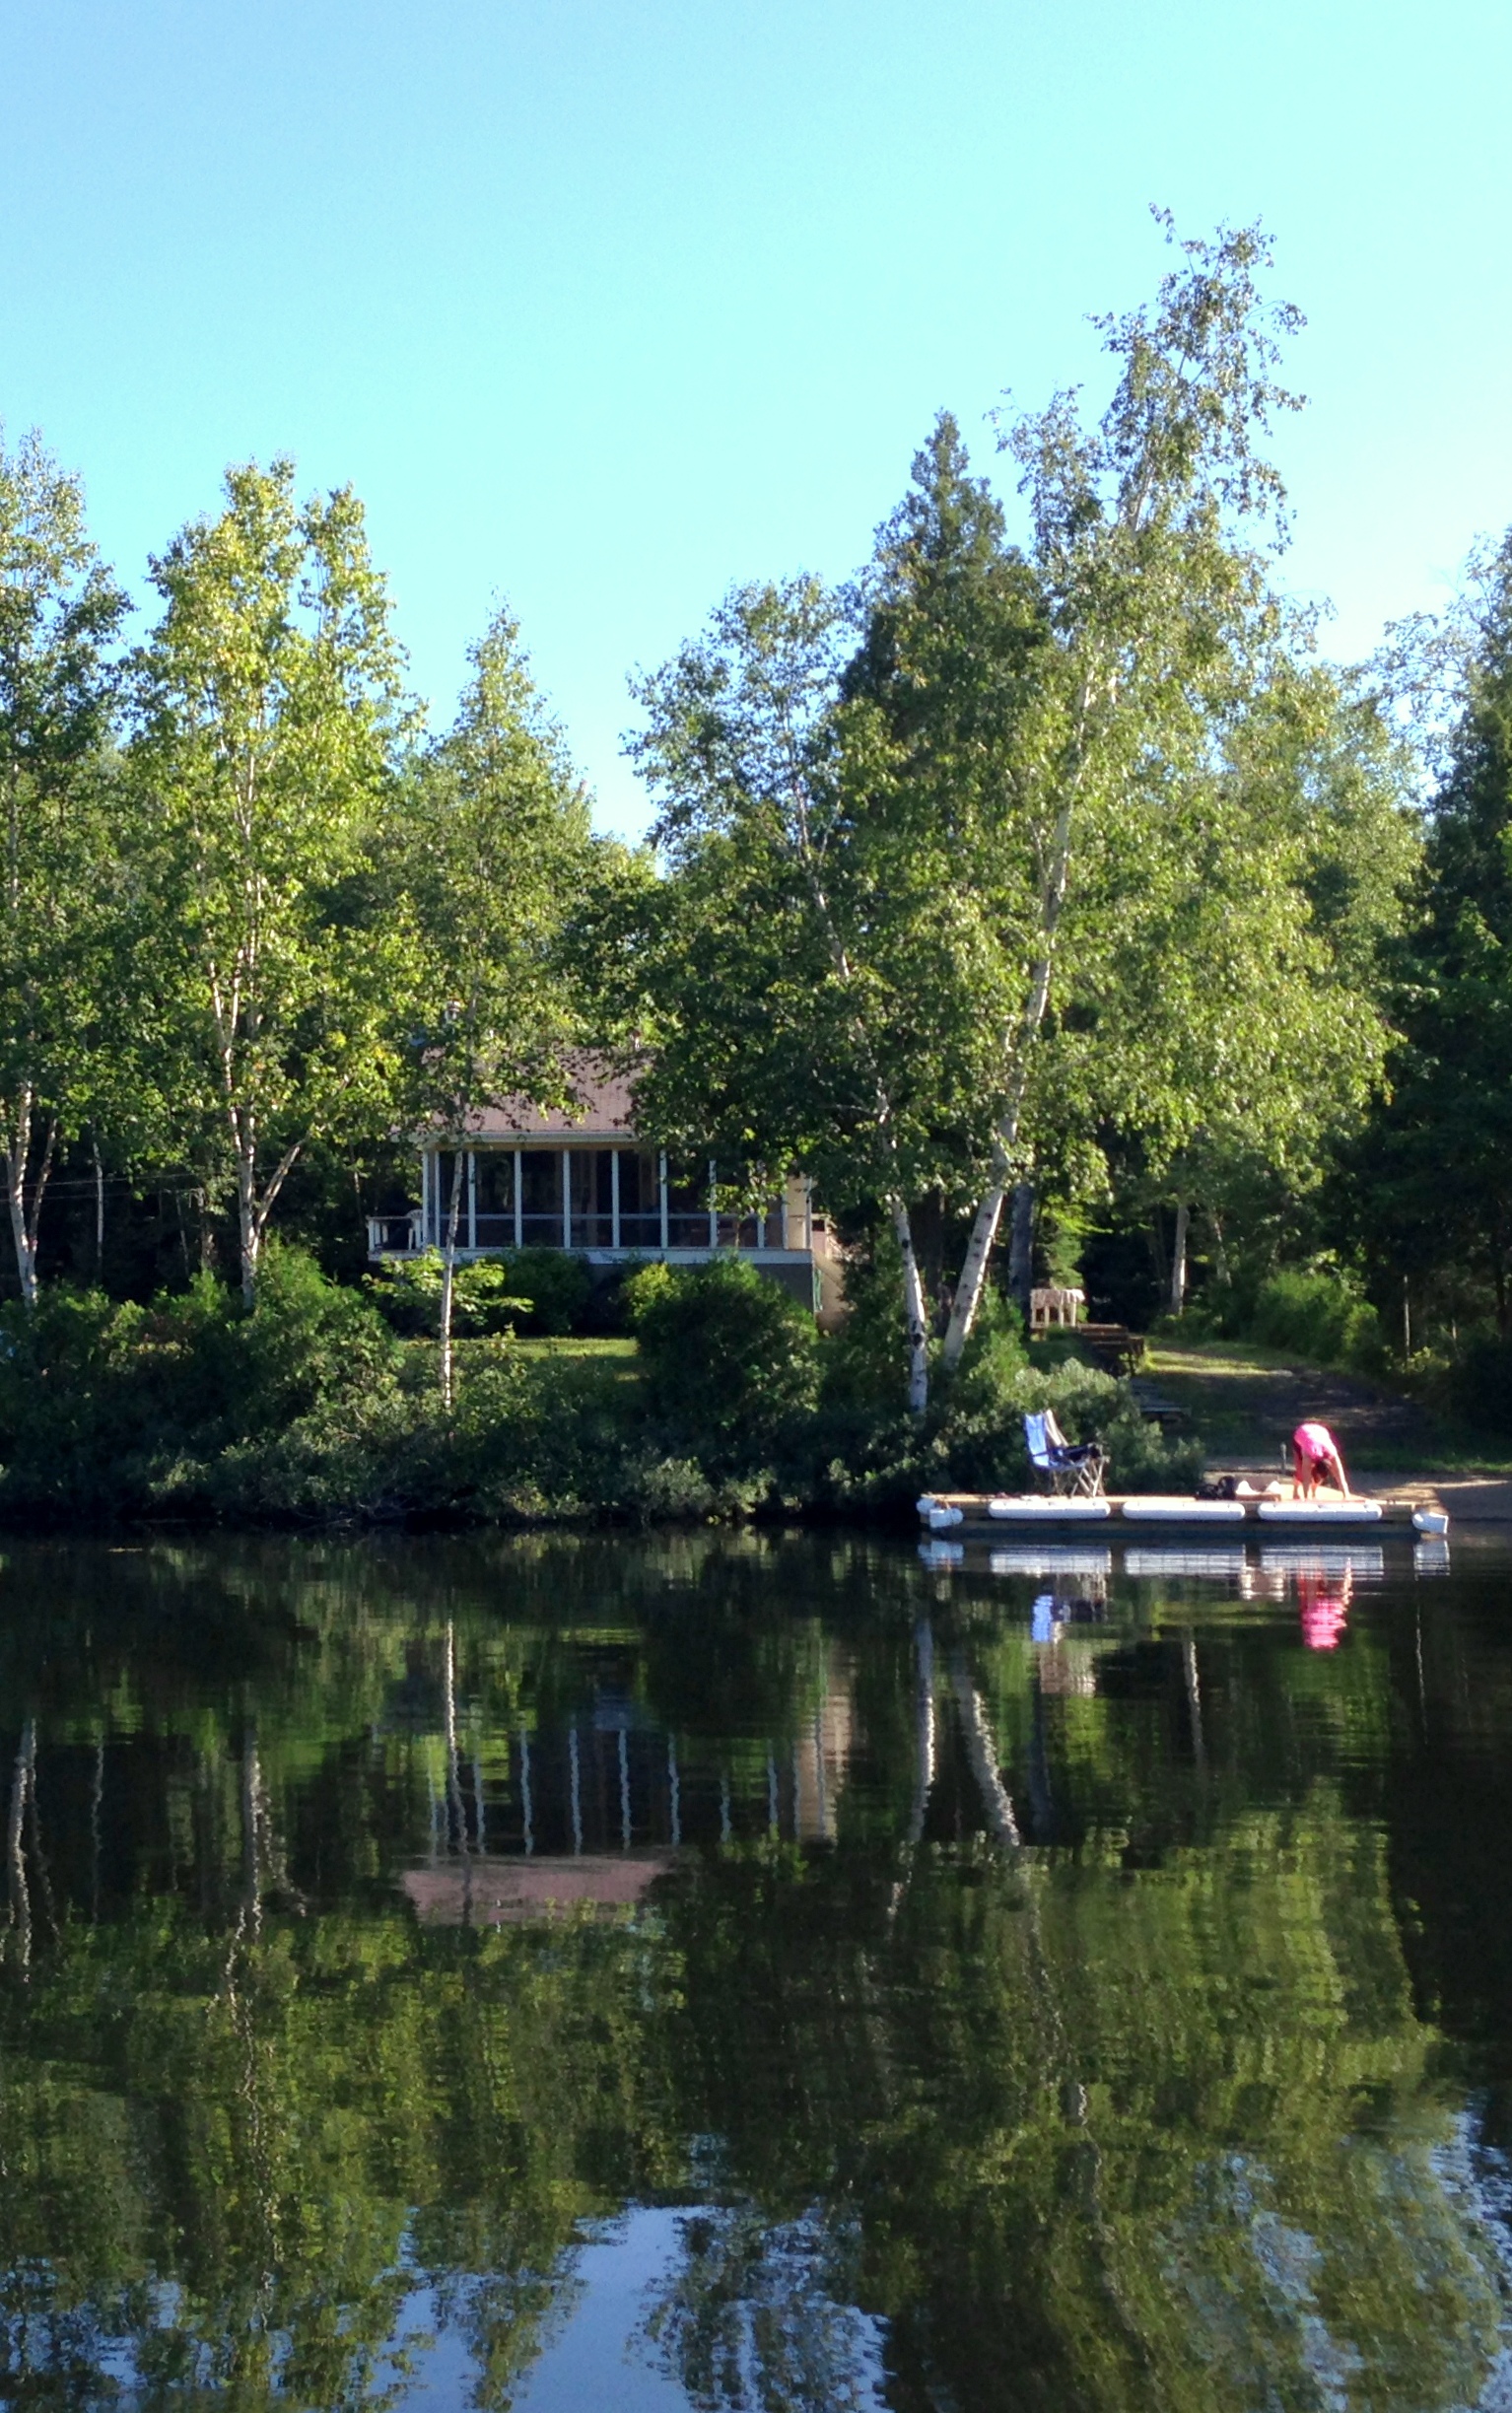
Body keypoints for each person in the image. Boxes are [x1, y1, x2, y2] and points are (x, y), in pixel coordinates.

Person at [1292, 1419, 1350, 1499]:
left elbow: (1341, 1479)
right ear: (1313, 1465)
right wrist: (1306, 1498)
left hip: (1319, 1432)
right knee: (1301, 1472)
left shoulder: (1333, 1454)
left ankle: (1314, 1492)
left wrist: (1346, 1496)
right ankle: (1295, 1491)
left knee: (1319, 1476)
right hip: (1302, 1433)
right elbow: (1306, 1480)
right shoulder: (1308, 1456)